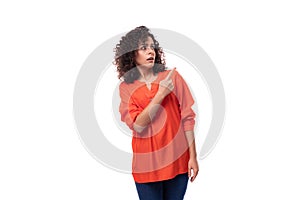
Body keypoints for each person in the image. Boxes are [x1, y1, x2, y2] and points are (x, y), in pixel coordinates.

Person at [114, 26, 199, 200]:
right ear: (132, 54)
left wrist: (193, 157)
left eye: (152, 47)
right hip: (146, 167)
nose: (150, 51)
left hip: (178, 164)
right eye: (143, 47)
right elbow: (138, 125)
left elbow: (188, 118)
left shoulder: (173, 78)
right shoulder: (126, 88)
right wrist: (161, 94)